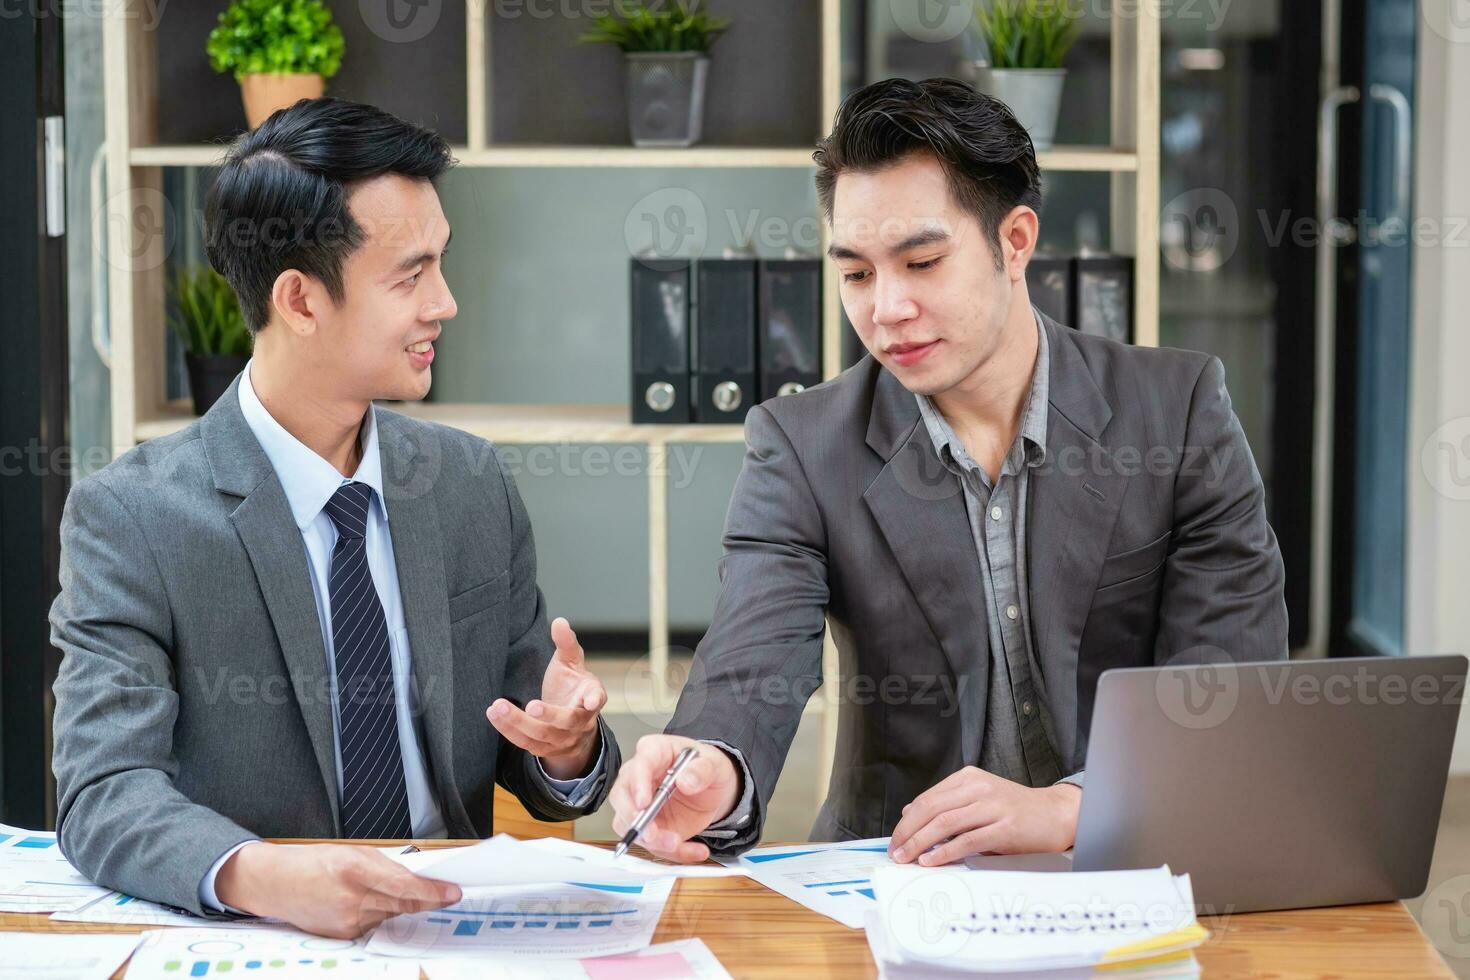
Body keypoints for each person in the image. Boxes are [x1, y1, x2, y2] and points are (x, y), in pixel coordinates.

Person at [607, 77, 1288, 866]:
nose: (886, 309)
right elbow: (752, 657)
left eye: (922, 262)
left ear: (1016, 241)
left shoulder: (1177, 412)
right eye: (857, 274)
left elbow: (1224, 683)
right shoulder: (800, 446)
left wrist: (1075, 805)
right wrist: (714, 767)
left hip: (1138, 864)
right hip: (900, 881)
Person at [50, 98, 619, 938]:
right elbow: (102, 791)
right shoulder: (132, 518)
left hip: (455, 929)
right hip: (262, 935)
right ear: (300, 299)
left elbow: (532, 748)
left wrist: (566, 745)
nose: (445, 303)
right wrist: (262, 874)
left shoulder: (468, 484)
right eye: (410, 275)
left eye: (441, 265)